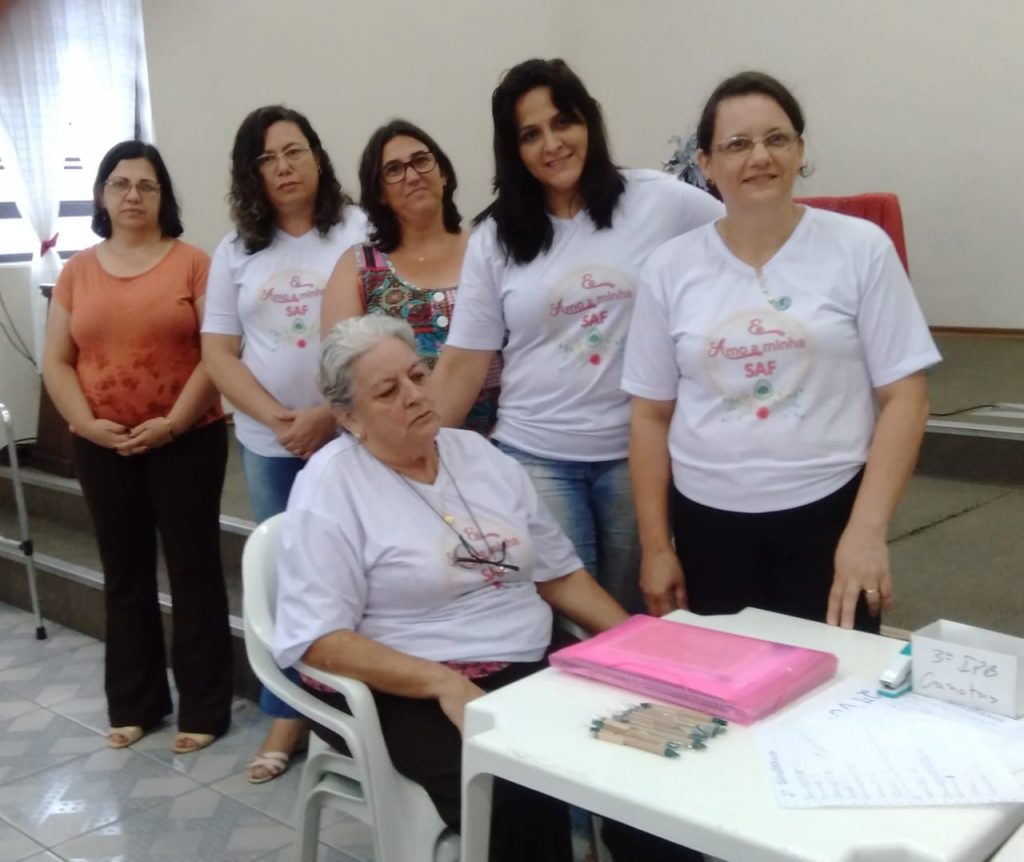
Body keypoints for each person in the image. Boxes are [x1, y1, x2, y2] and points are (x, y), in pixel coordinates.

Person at [274, 316, 702, 862]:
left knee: (645, 750)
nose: (414, 395)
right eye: (387, 391)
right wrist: (442, 684)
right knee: (514, 788)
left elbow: (559, 574)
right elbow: (319, 639)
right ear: (348, 417)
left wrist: (638, 643)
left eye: (417, 376)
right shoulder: (331, 487)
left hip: (523, 658)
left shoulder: (478, 456)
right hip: (405, 683)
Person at [623, 71, 941, 632]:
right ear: (706, 163)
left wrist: (866, 533)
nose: (759, 157)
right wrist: (656, 547)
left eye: (776, 139)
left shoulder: (860, 249)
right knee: (729, 677)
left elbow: (906, 398)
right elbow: (650, 415)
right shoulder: (670, 267)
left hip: (829, 515)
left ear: (800, 149)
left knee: (840, 678)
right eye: (737, 144)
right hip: (708, 524)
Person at [430, 58, 723, 614]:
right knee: (568, 619)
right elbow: (464, 362)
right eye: (530, 134)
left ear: (589, 120)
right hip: (535, 455)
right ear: (512, 149)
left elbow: (745, 239)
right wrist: (402, 450)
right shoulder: (494, 236)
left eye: (563, 122)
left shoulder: (660, 201)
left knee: (633, 611)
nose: (552, 144)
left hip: (636, 455)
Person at [42, 140, 232, 753]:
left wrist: (172, 423)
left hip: (187, 439)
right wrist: (86, 424)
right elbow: (57, 360)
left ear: (162, 196)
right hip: (102, 446)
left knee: (194, 572)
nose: (133, 195)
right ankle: (135, 704)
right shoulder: (77, 272)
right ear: (101, 195)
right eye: (120, 184)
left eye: (146, 185)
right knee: (124, 574)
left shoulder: (194, 264)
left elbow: (217, 354)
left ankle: (204, 708)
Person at [201, 105, 367, 782]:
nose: (284, 167)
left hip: (352, 435)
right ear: (252, 175)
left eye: (294, 151)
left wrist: (328, 414)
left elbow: (380, 330)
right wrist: (279, 420)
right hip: (271, 443)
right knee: (285, 576)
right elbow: (217, 351)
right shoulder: (236, 250)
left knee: (359, 570)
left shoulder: (358, 229)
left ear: (317, 157)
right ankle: (287, 711)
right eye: (266, 159)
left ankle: (360, 705)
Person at [321, 119, 499, 433]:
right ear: (379, 192)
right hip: (400, 447)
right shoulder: (359, 267)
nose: (413, 176)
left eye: (421, 161)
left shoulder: (488, 250)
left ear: (443, 173)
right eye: (394, 170)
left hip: (499, 445)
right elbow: (340, 373)